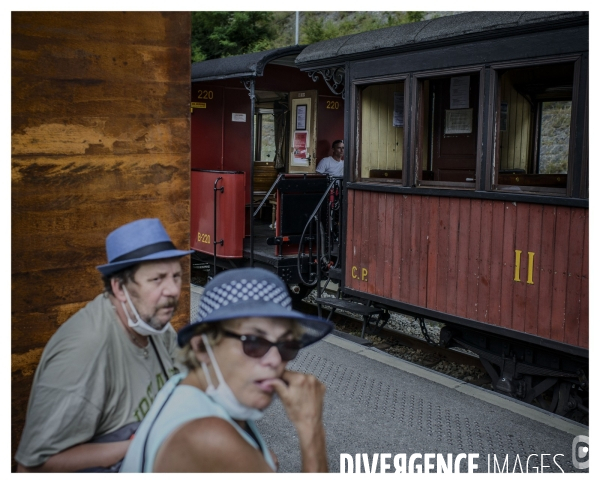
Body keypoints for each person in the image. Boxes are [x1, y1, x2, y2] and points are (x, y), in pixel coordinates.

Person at [15, 218, 193, 472]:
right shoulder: (84, 350)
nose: (172, 290)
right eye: (157, 279)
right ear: (119, 287)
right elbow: (32, 467)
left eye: (176, 276)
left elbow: (190, 382)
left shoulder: (154, 324)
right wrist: (140, 445)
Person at [120, 268, 334, 472]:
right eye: (254, 342)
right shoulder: (211, 437)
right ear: (202, 346)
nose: (275, 360)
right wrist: (311, 426)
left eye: (287, 346)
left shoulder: (186, 390)